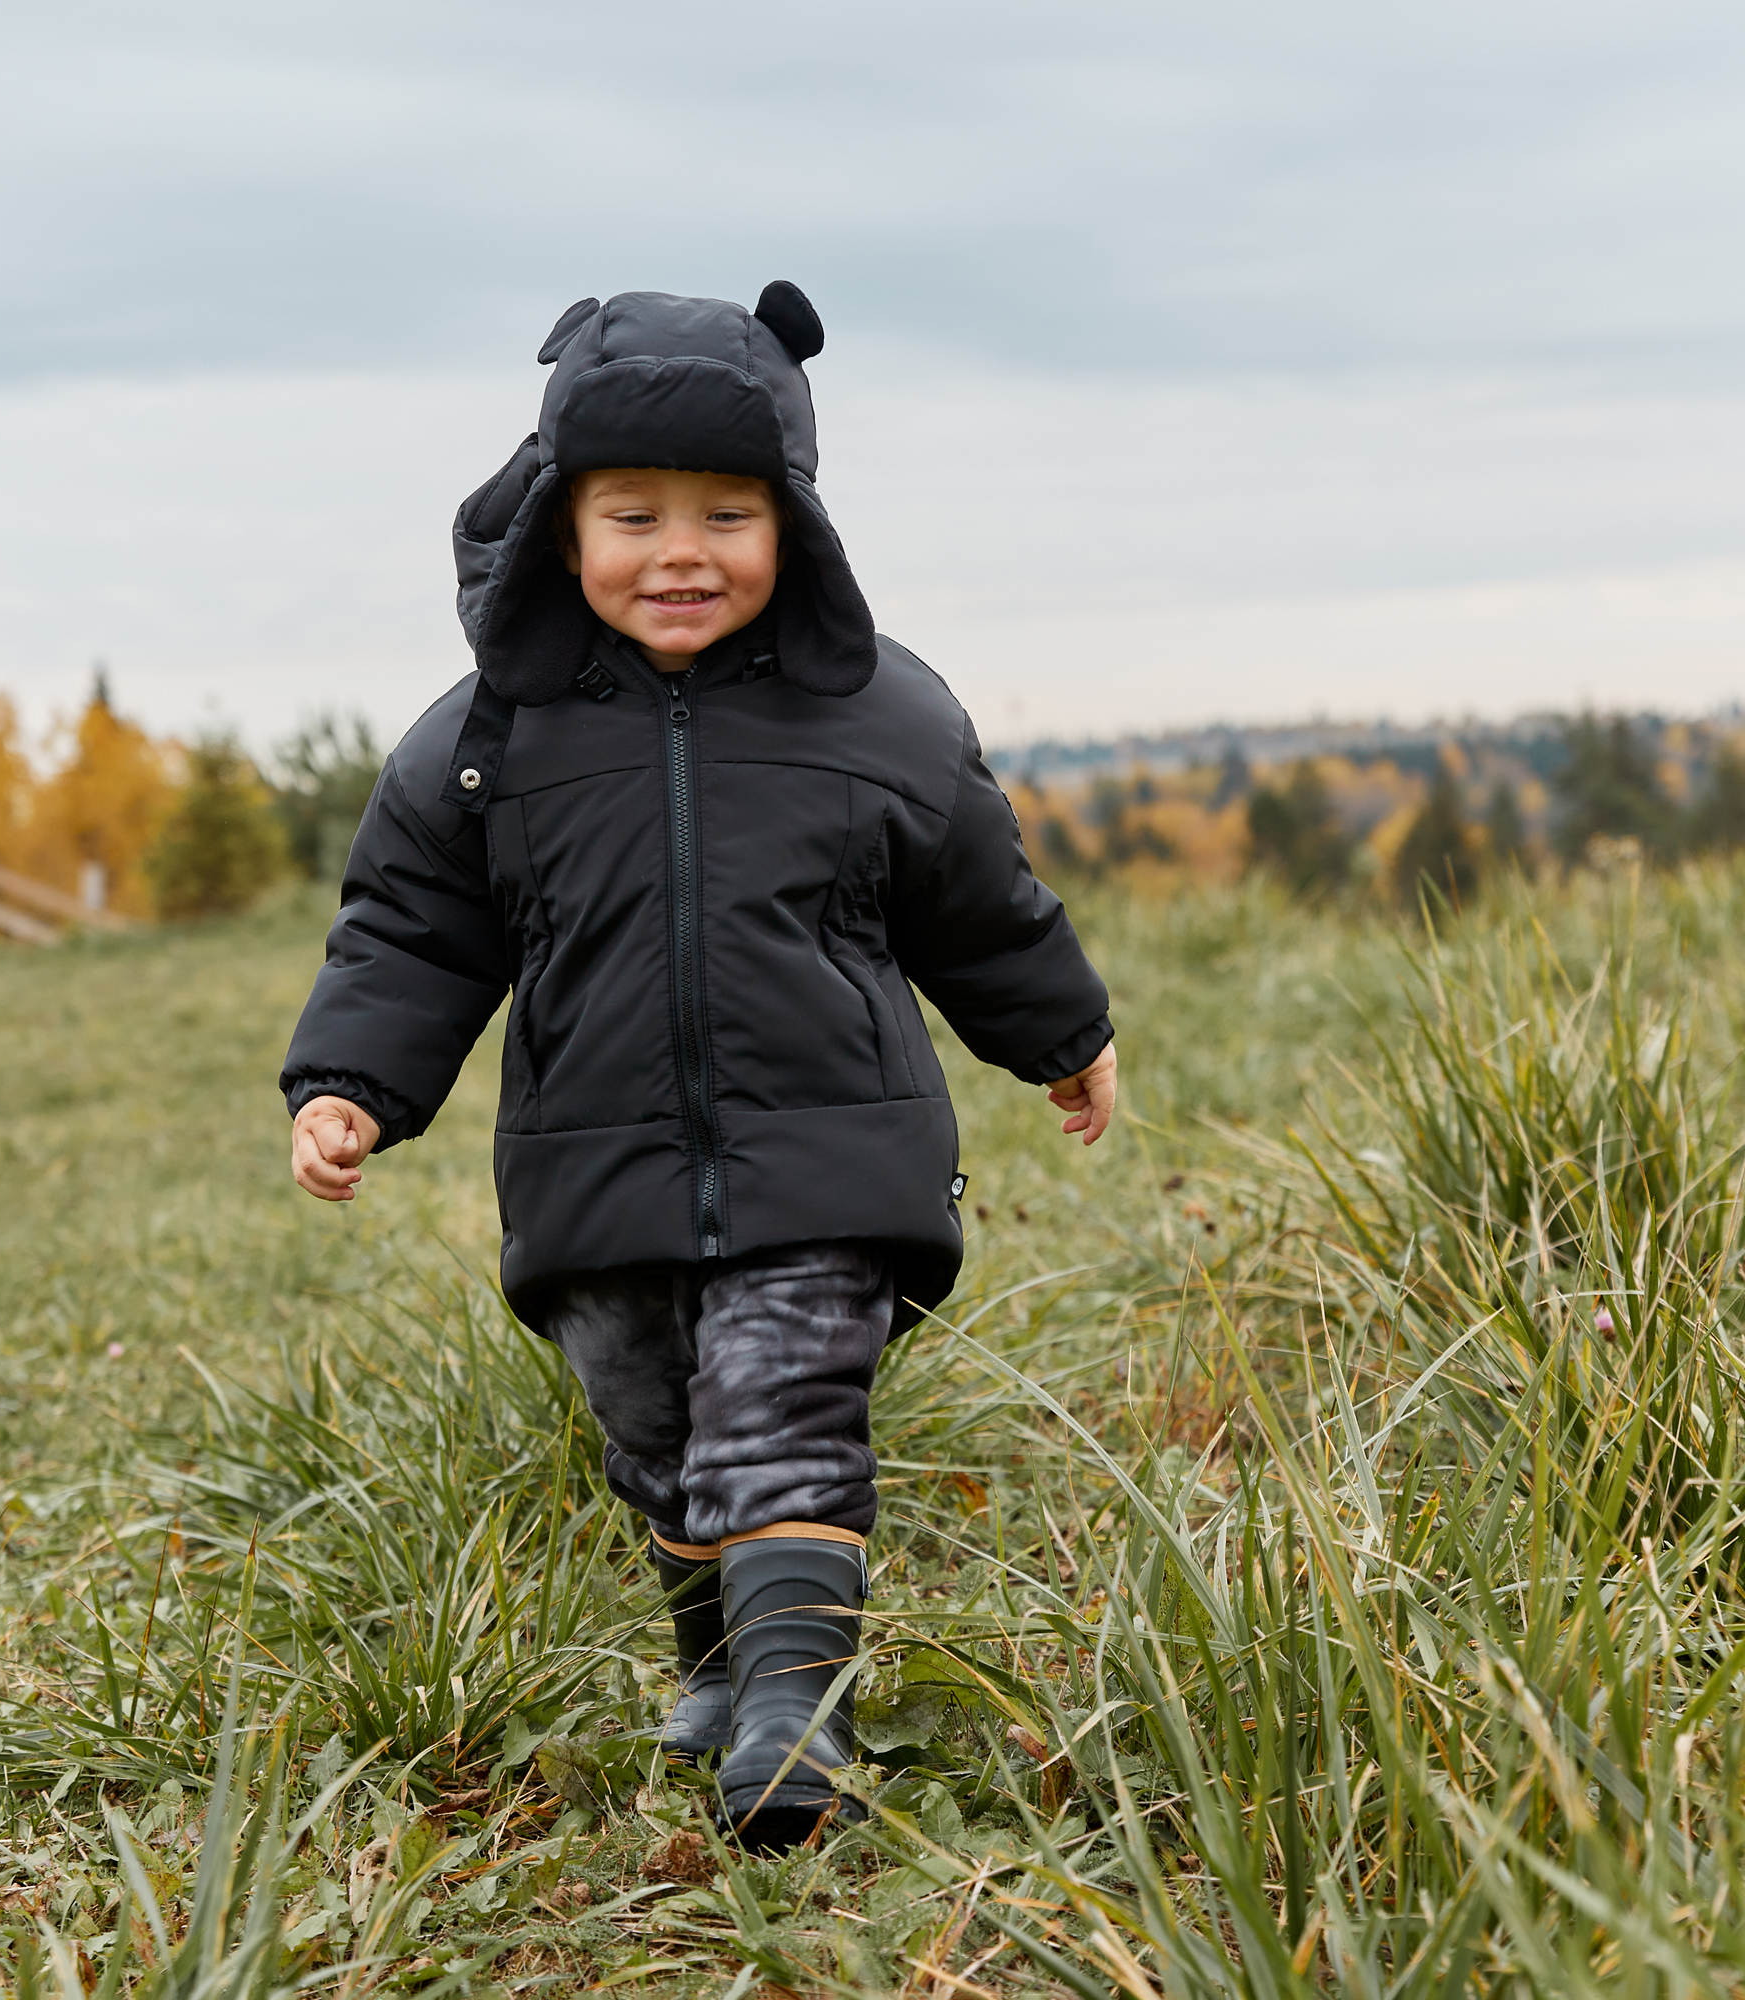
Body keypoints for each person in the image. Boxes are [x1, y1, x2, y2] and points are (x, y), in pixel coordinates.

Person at [281, 284, 1116, 1850]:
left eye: (728, 514)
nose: (683, 551)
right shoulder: (485, 741)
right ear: (559, 527)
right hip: (595, 1175)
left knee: (787, 1410)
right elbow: (410, 934)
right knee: (661, 1444)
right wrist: (353, 1083)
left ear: (795, 522)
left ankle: (804, 1713)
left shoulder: (879, 711)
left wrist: (1059, 1033)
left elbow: (980, 895)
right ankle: (721, 1665)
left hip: (829, 1160)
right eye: (635, 515)